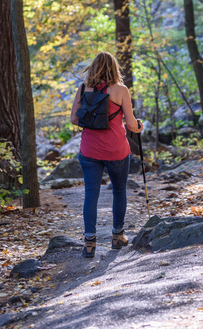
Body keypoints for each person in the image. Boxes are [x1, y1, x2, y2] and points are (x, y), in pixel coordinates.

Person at [71, 51, 143, 258]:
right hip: (116, 150)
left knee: (91, 193)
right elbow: (130, 124)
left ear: (93, 67)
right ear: (114, 68)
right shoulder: (121, 90)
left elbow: (74, 120)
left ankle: (89, 243)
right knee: (119, 191)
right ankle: (117, 236)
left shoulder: (84, 88)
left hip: (90, 150)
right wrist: (138, 126)